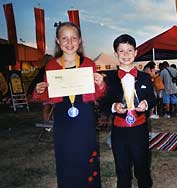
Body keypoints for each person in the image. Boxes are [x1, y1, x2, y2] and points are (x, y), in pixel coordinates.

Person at [33, 22, 106, 188]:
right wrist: (39, 90)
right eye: (64, 38)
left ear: (80, 41)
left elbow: (97, 93)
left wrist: (101, 85)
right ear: (58, 41)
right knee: (66, 156)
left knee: (86, 154)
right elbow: (48, 97)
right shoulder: (51, 65)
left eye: (74, 38)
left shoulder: (88, 63)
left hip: (85, 117)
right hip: (63, 118)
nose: (69, 42)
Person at [101, 34, 155, 188]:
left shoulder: (144, 77)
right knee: (122, 169)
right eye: (121, 51)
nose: (126, 55)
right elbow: (103, 103)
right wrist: (113, 107)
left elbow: (152, 98)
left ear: (136, 52)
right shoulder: (109, 78)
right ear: (115, 54)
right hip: (119, 131)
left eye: (129, 51)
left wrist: (146, 103)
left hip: (140, 129)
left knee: (142, 167)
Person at [27, 54, 53, 122]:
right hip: (46, 92)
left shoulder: (43, 69)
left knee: (48, 107)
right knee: (47, 107)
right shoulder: (45, 69)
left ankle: (47, 122)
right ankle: (47, 122)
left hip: (45, 91)